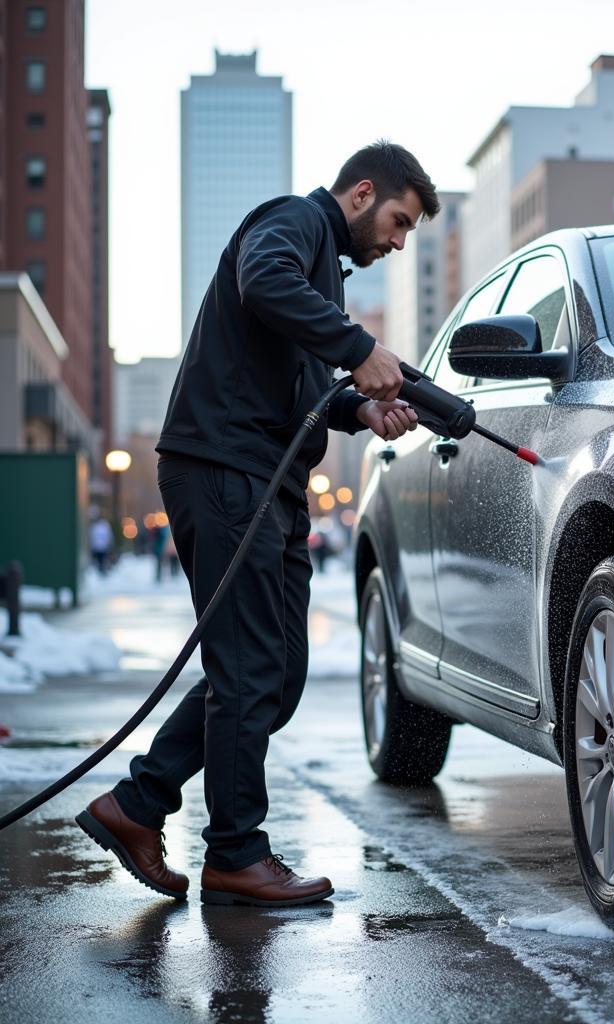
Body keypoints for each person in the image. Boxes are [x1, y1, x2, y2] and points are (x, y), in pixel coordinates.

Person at [76, 141, 437, 907]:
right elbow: (260, 278)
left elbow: (305, 388)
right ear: (362, 192)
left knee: (274, 669)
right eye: (399, 222)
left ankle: (138, 804)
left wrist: (361, 406)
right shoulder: (293, 223)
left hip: (268, 484)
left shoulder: (326, 279)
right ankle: (236, 854)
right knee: (245, 670)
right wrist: (360, 348)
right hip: (224, 469)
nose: (399, 242)